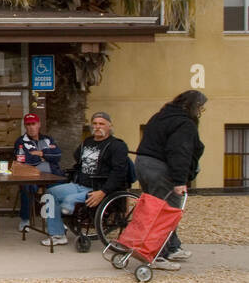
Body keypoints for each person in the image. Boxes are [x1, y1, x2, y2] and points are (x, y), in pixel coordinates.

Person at [135, 90, 206, 266]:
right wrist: (180, 181)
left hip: (143, 164)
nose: (200, 112)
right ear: (193, 106)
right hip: (160, 168)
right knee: (166, 212)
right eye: (200, 108)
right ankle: (158, 255)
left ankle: (172, 247)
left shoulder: (160, 116)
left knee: (155, 207)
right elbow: (179, 152)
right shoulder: (184, 123)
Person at [42, 111, 131, 249]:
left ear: (109, 126)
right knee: (49, 193)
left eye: (101, 124)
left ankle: (66, 212)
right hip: (79, 184)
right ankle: (58, 235)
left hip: (98, 188)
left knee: (68, 201)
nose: (97, 126)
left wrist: (103, 192)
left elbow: (118, 173)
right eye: (94, 123)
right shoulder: (87, 142)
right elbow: (77, 157)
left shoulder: (117, 146)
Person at [14, 113, 62, 231]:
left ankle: (54, 221)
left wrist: (40, 153)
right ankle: (25, 219)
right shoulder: (21, 141)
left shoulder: (47, 139)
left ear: (39, 124)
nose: (31, 127)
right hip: (31, 176)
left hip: (51, 175)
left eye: (33, 124)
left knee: (57, 189)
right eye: (28, 125)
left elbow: (57, 155)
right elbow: (26, 160)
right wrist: (45, 156)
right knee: (26, 187)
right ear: (25, 126)